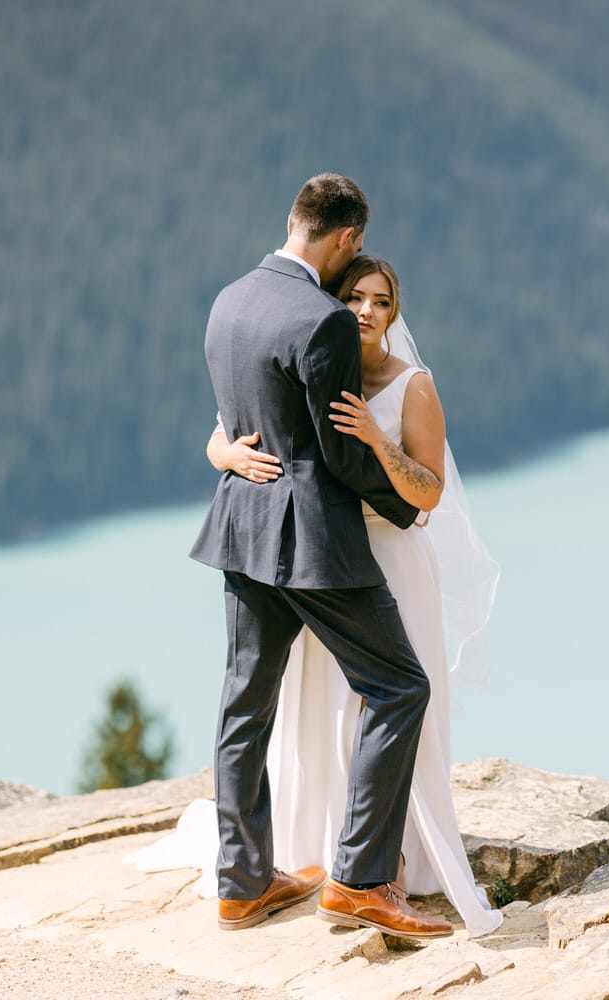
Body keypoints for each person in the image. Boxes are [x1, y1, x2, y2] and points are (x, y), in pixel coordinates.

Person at [182, 173, 452, 938]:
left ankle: (239, 884)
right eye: (354, 252)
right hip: (313, 542)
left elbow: (238, 419)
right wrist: (407, 505)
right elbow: (337, 453)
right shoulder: (322, 320)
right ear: (345, 239)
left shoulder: (229, 298)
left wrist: (225, 455)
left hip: (242, 529)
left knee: (245, 702)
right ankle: (362, 880)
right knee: (399, 687)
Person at [210, 255, 503, 937]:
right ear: (334, 305)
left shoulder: (414, 387)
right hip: (319, 562)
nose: (368, 311)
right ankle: (338, 864)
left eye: (381, 301)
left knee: (392, 698)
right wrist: (228, 456)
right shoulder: (315, 357)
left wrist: (376, 436)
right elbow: (227, 424)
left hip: (388, 559)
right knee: (326, 713)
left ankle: (392, 862)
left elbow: (430, 494)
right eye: (355, 297)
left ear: (394, 313)